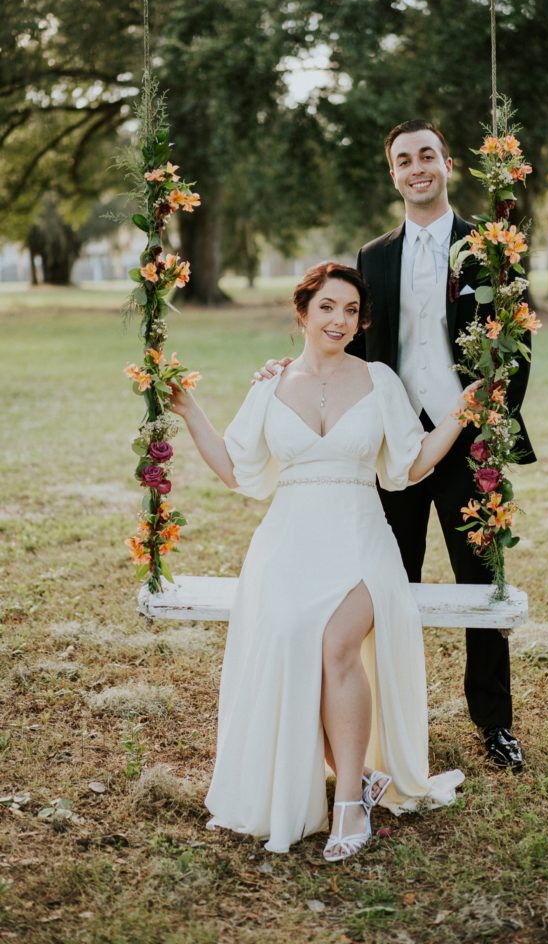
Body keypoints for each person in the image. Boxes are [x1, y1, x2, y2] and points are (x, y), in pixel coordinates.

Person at [170, 262, 480, 860]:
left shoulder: (379, 380)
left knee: (337, 644)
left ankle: (347, 805)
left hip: (360, 535)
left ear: (361, 321)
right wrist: (190, 414)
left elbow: (409, 467)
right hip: (287, 543)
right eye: (327, 308)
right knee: (291, 640)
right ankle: (356, 780)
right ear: (303, 313)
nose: (339, 320)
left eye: (350, 311)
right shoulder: (270, 386)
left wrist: (458, 416)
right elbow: (238, 470)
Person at [256, 120, 536, 771]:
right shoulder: (374, 255)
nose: (416, 168)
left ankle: (493, 723)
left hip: (468, 444)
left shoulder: (489, 246)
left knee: (481, 583)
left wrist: (489, 425)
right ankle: (388, 716)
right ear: (393, 174)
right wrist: (290, 374)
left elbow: (516, 348)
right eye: (403, 160)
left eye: (427, 156)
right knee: (387, 585)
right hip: (392, 448)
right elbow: (345, 338)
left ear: (446, 163)